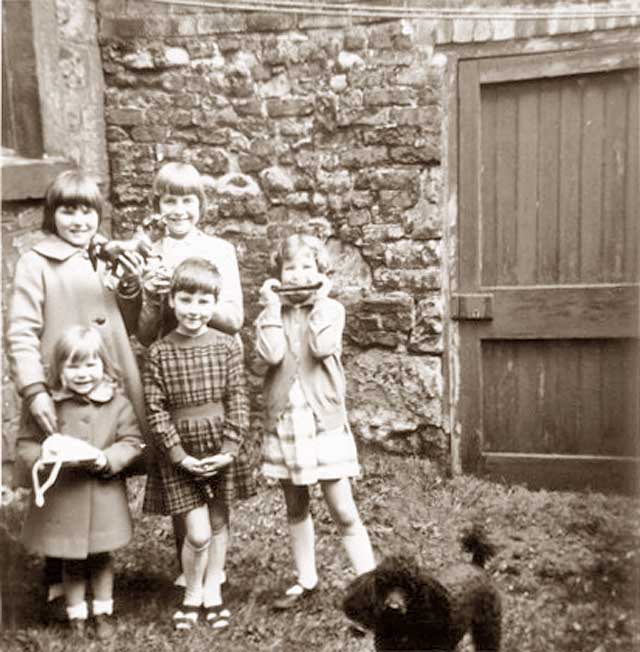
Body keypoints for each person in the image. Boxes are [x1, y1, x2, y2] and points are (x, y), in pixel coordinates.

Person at [6, 169, 146, 616]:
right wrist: (35, 390)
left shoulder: (103, 255)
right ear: (53, 214)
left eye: (87, 210)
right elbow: (22, 332)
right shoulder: (36, 262)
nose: (79, 220)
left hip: (104, 385)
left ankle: (96, 559)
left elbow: (126, 316)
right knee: (58, 473)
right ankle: (57, 573)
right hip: (61, 387)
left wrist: (129, 288)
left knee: (100, 470)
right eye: (68, 210)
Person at [137, 161, 245, 586]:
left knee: (214, 460)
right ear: (157, 204)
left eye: (187, 200)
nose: (179, 209)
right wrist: (151, 295)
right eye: (169, 201)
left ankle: (213, 561)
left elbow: (235, 319)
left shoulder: (219, 249)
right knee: (179, 461)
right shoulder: (151, 252)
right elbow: (145, 333)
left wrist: (194, 297)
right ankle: (188, 562)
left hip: (212, 367)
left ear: (200, 204)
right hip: (172, 371)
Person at [255, 234, 376, 610]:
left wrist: (321, 300)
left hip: (322, 422)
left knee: (342, 508)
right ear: (279, 274)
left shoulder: (332, 309)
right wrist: (271, 307)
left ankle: (369, 586)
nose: (298, 274)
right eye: (290, 267)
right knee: (296, 504)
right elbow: (272, 354)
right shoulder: (270, 314)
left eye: (308, 267)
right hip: (287, 421)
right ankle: (306, 578)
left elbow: (322, 347)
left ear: (322, 273)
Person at [142, 257, 255, 631]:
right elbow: (155, 410)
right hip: (181, 452)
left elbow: (238, 398)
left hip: (219, 445)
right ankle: (192, 593)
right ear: (171, 301)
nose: (194, 310)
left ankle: (213, 591)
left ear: (214, 304)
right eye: (186, 300)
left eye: (204, 301)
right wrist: (178, 455)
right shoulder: (159, 351)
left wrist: (229, 449)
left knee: (219, 522)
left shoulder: (226, 346)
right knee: (198, 532)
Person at [16, 326, 144, 639]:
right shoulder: (50, 405)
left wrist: (107, 459)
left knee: (101, 557)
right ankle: (76, 615)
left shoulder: (117, 403)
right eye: (73, 365)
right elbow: (26, 443)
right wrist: (43, 455)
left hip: (102, 495)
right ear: (59, 369)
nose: (83, 373)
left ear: (104, 365)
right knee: (70, 558)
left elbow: (132, 440)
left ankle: (103, 612)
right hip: (64, 497)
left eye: (90, 364)